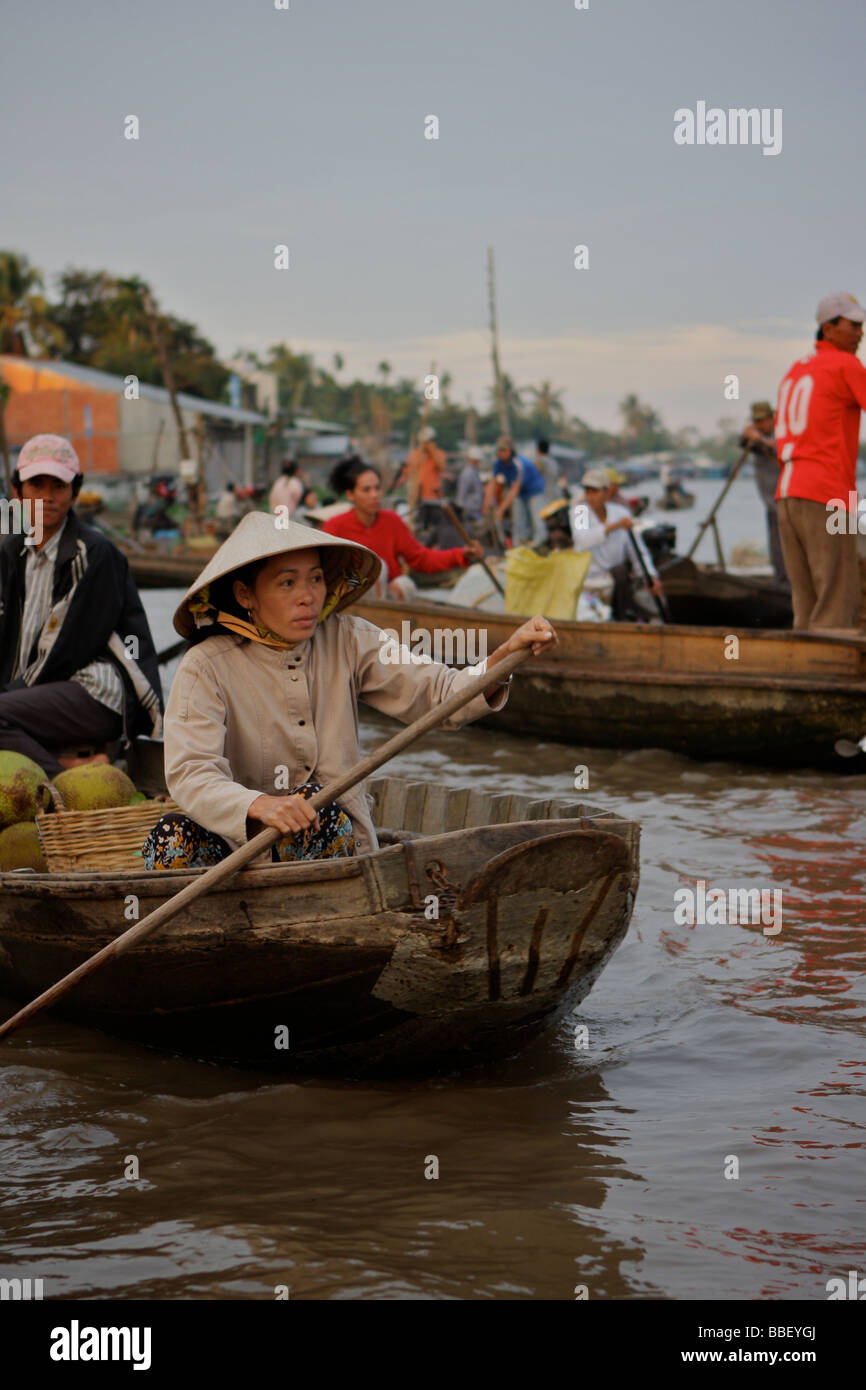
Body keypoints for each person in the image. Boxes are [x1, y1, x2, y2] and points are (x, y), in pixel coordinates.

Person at [141, 510, 556, 869]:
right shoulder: (205, 666)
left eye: (316, 579)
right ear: (245, 594)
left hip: (333, 843)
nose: (307, 597)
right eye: (287, 583)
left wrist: (504, 657)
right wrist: (259, 806)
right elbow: (191, 773)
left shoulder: (349, 638)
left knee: (320, 809)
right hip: (237, 850)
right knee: (170, 838)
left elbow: (439, 695)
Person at [0, 434, 163, 777]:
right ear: (18, 492)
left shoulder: (94, 555)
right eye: (36, 484)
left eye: (58, 486)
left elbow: (65, 651)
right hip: (38, 690)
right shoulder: (10, 552)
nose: (46, 496)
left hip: (95, 689)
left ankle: (65, 780)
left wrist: (8, 695)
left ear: (74, 493)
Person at [775, 292, 866, 631]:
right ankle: (827, 677)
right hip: (829, 495)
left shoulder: (796, 370)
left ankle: (802, 673)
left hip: (786, 495)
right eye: (853, 326)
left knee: (806, 603)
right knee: (837, 601)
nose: (860, 333)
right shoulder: (845, 365)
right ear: (828, 329)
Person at [322, 456, 482, 601]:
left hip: (388, 596)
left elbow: (421, 558)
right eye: (366, 490)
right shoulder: (335, 526)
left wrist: (461, 554)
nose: (374, 495)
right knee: (378, 568)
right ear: (350, 494)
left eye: (377, 488)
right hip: (351, 597)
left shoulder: (391, 521)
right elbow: (326, 569)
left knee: (404, 585)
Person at [571, 467, 662, 620]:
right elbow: (581, 541)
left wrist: (650, 576)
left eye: (595, 491)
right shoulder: (581, 511)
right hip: (589, 582)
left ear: (607, 493)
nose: (590, 497)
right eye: (588, 492)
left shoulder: (620, 513)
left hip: (616, 581)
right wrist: (614, 526)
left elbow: (638, 551)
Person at [739, 401, 787, 585]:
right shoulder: (756, 440)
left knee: (787, 542)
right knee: (775, 542)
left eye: (762, 421)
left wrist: (761, 440)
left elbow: (781, 449)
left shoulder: (781, 435)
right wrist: (752, 435)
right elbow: (743, 440)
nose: (759, 425)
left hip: (787, 498)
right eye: (756, 422)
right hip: (770, 501)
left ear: (771, 419)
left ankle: (789, 581)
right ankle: (781, 579)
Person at [492, 436, 546, 545]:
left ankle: (540, 542)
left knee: (536, 519)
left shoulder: (519, 464)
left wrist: (501, 509)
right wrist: (488, 503)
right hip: (520, 493)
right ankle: (520, 544)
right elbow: (492, 483)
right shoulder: (498, 463)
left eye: (504, 450)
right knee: (519, 520)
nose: (501, 453)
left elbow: (514, 490)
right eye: (499, 450)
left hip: (533, 490)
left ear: (510, 451)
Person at [456, 445, 485, 524]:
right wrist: (461, 509)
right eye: (477, 461)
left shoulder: (474, 472)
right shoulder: (468, 473)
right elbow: (462, 492)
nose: (478, 463)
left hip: (475, 510)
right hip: (469, 512)